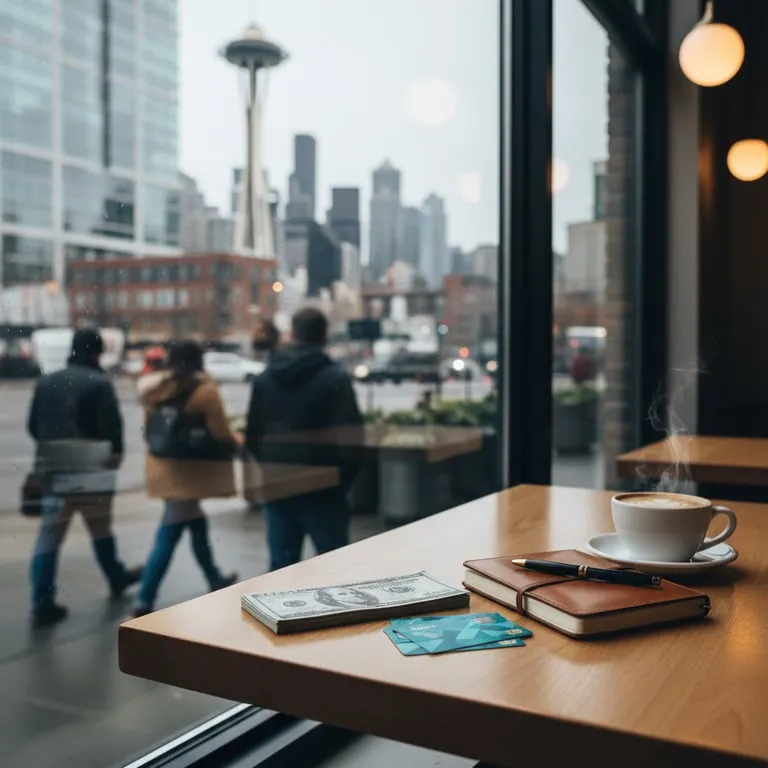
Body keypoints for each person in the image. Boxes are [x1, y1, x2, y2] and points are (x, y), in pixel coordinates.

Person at [27, 328, 141, 628]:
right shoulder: (100, 384)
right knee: (101, 530)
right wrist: (112, 461)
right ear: (96, 351)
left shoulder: (47, 381)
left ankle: (42, 601)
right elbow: (112, 432)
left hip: (54, 467)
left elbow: (33, 426)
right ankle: (116, 578)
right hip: (91, 470)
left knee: (49, 538)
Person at [246, 307, 363, 570]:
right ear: (324, 336)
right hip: (324, 490)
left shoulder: (265, 379)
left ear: (292, 334)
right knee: (336, 572)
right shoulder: (335, 379)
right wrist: (339, 481)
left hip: (279, 485)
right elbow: (352, 440)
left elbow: (253, 436)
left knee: (280, 574)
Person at [134, 340, 242, 616]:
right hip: (189, 470)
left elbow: (149, 430)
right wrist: (238, 442)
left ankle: (214, 577)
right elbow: (220, 432)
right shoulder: (204, 390)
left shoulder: (155, 388)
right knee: (168, 533)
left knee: (195, 523)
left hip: (162, 465)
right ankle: (143, 599)